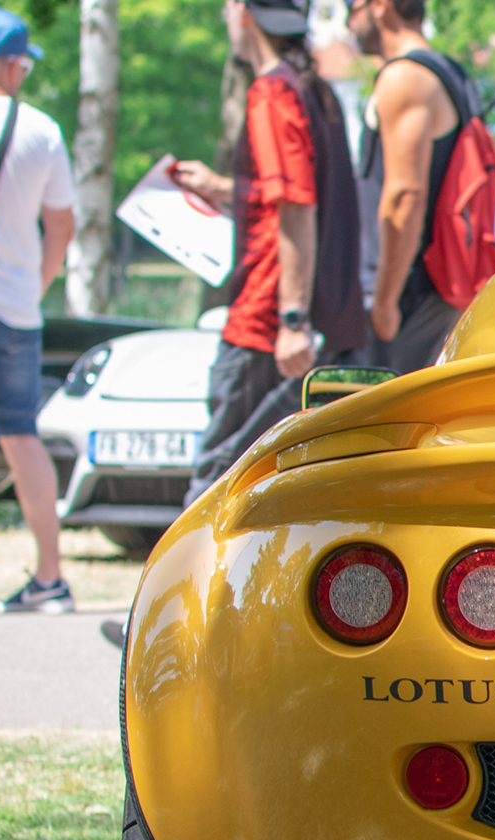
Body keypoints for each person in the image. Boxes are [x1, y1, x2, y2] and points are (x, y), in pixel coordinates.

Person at [172, 0, 365, 504]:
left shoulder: (272, 92)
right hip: (295, 315)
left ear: (241, 11)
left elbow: (298, 207)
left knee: (217, 483)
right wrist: (224, 187)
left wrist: (292, 318)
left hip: (266, 320)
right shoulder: (312, 87)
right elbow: (298, 194)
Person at [0, 9, 75, 611]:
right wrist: (33, 286)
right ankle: (50, 577)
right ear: (14, 64)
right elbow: (60, 226)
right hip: (15, 307)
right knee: (21, 436)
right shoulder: (39, 130)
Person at [347, 0, 473, 372]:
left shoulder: (405, 77)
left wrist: (385, 298)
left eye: (351, 8)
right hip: (443, 285)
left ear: (380, 7)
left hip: (412, 292)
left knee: (385, 422)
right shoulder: (452, 72)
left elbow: (405, 195)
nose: (347, 22)